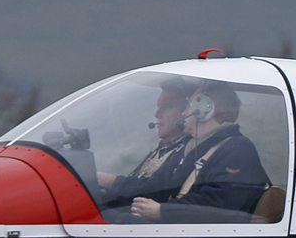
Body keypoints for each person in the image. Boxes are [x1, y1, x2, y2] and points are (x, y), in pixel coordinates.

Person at [130, 80, 270, 222]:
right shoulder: (194, 149)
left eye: (189, 106)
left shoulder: (238, 149)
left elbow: (220, 204)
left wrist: (163, 211)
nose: (184, 113)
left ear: (204, 109)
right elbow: (155, 188)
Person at [98, 77, 197, 210]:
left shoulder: (189, 151)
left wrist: (103, 180)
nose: (157, 114)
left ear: (187, 113)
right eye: (158, 107)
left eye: (167, 107)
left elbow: (150, 190)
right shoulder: (163, 147)